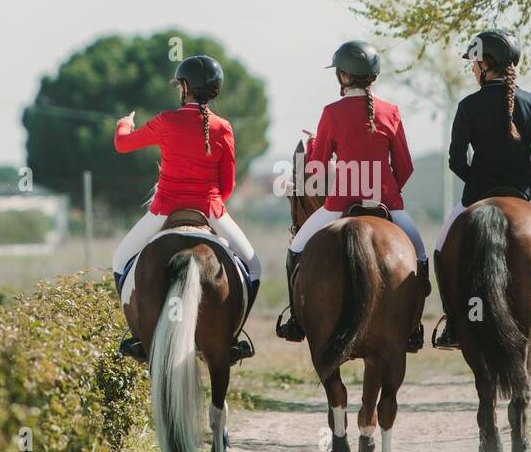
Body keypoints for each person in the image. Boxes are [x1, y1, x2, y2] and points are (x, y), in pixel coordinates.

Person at [432, 28, 531, 348]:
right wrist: (525, 168)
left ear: (486, 64)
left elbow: (455, 160)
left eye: (474, 63)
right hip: (529, 195)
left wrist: (479, 179)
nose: (472, 69)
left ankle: (453, 323)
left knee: (440, 249)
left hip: (478, 195)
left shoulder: (468, 106)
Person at [275, 40, 428, 352]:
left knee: (297, 250)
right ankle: (413, 325)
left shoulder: (331, 112)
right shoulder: (391, 111)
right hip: (389, 204)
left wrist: (319, 146)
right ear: (373, 76)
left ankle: (295, 319)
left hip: (339, 205)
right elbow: (405, 167)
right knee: (421, 258)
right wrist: (387, 191)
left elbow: (315, 169)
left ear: (343, 76)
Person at [112, 54, 261, 359]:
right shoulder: (223, 127)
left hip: (164, 209)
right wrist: (213, 206)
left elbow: (123, 144)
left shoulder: (167, 120)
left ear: (184, 86)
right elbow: (228, 183)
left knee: (119, 262)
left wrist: (124, 123)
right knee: (253, 267)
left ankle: (139, 336)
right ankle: (232, 337)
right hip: (210, 210)